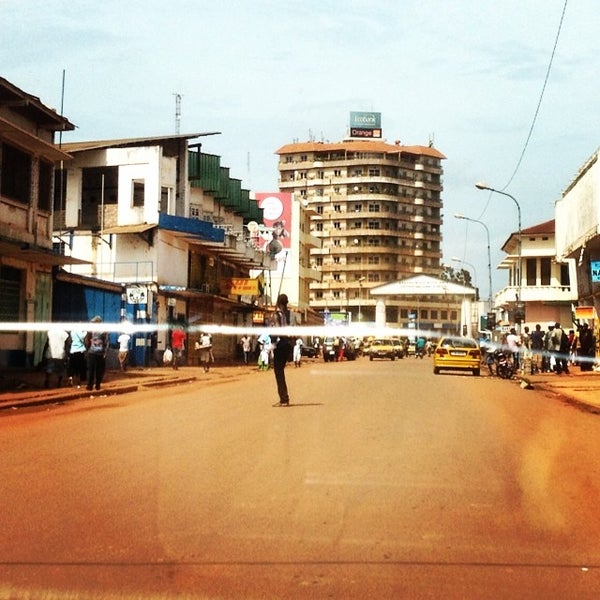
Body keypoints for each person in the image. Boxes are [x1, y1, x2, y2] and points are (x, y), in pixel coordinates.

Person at [271, 293, 292, 406]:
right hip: (287, 344)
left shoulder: (276, 315)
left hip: (280, 344)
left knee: (278, 372)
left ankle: (284, 399)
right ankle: (284, 398)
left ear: (278, 303)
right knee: (280, 371)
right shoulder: (287, 315)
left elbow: (278, 331)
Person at [85, 316, 108, 391]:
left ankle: (90, 386)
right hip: (100, 353)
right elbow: (106, 342)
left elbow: (86, 340)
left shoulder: (90, 330)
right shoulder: (104, 331)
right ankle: (97, 385)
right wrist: (105, 351)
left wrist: (88, 349)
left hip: (92, 352)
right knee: (99, 370)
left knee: (91, 370)